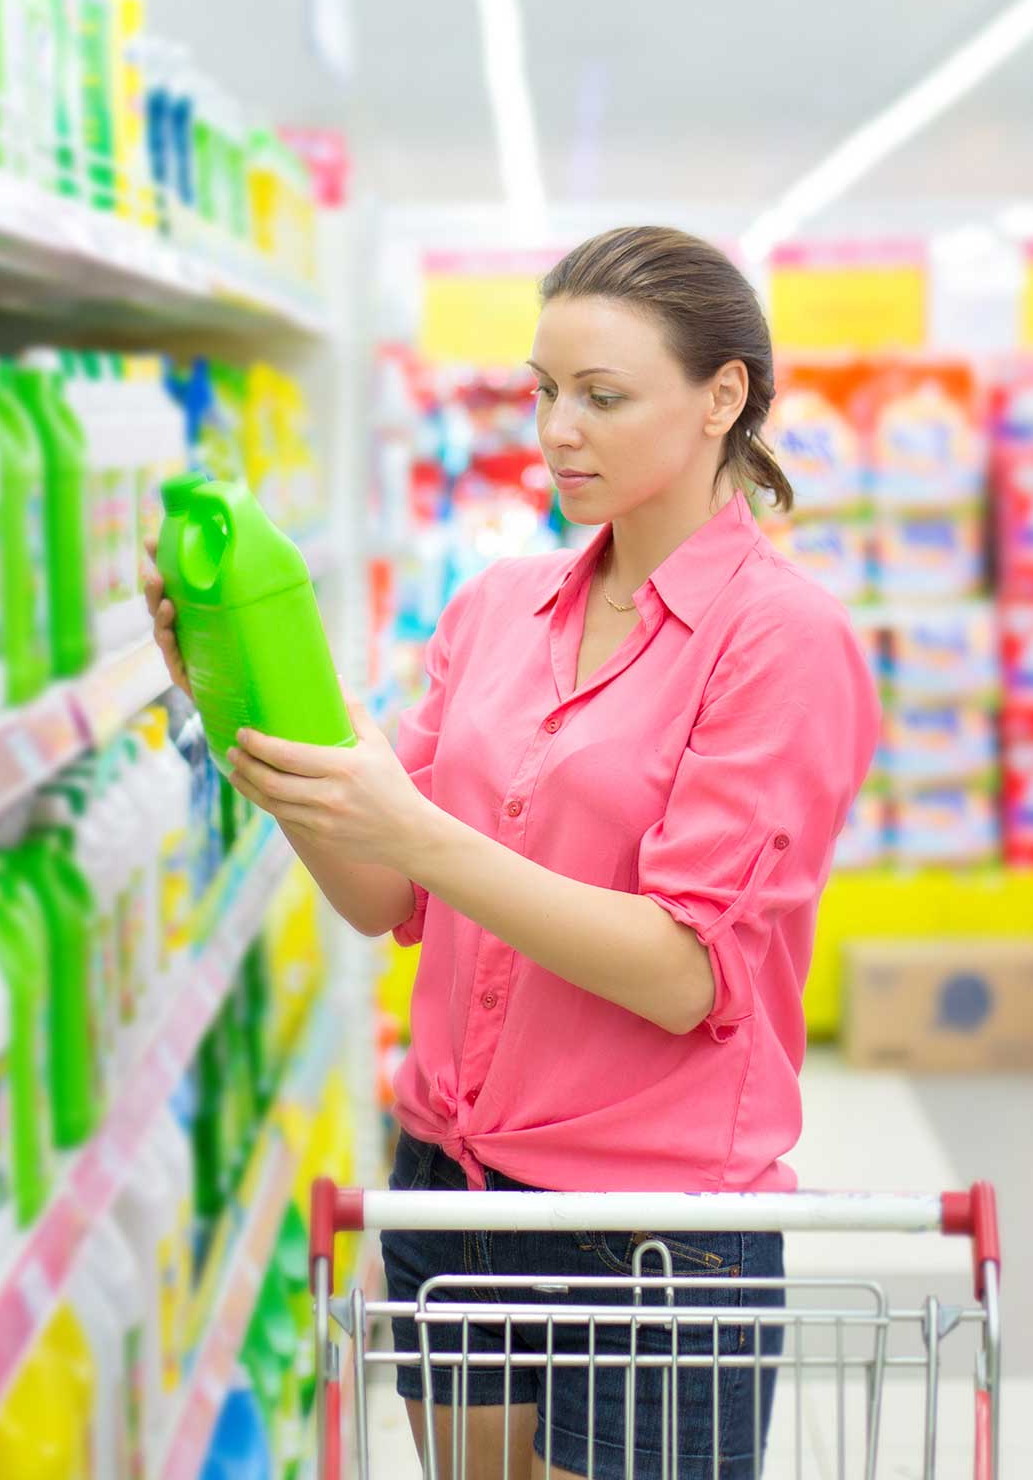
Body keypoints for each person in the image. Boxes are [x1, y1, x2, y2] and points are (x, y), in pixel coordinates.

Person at [146, 225, 879, 1479]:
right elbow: (384, 893)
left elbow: (685, 973)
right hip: (451, 1186)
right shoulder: (498, 607)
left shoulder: (781, 640)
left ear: (723, 397)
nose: (557, 431)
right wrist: (244, 707)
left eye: (602, 396)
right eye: (544, 391)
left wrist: (419, 829)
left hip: (649, 1228)